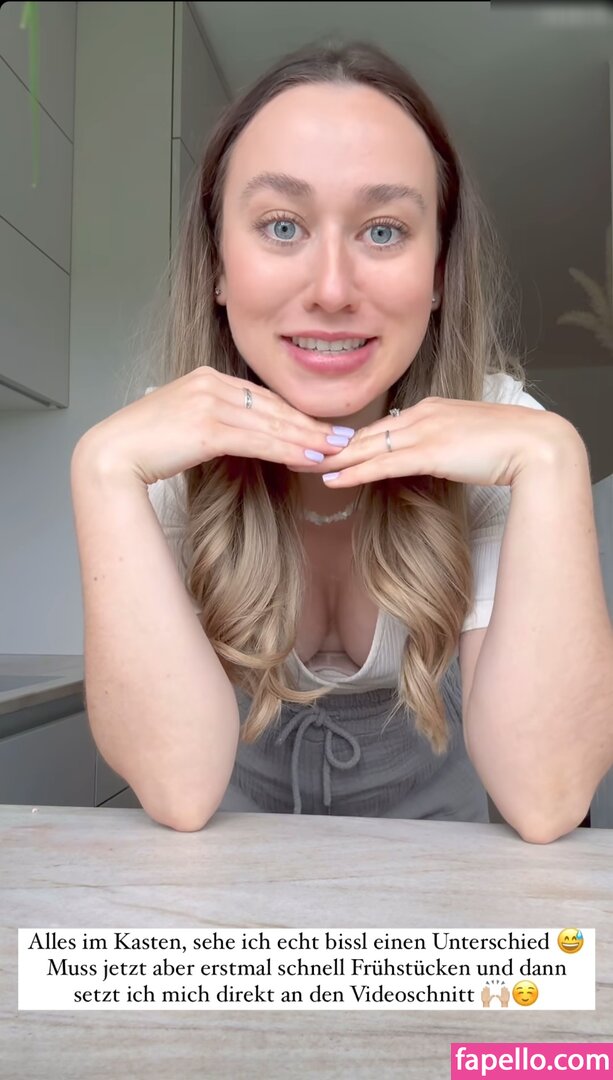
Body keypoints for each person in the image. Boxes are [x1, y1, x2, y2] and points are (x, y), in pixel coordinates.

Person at [70, 39, 611, 842]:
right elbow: (180, 791)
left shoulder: (504, 433)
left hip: (437, 875)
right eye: (281, 225)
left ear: (438, 274)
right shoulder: (161, 451)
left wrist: (555, 458)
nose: (330, 289)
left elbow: (547, 797)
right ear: (218, 265)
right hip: (230, 874)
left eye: (383, 231)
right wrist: (102, 470)